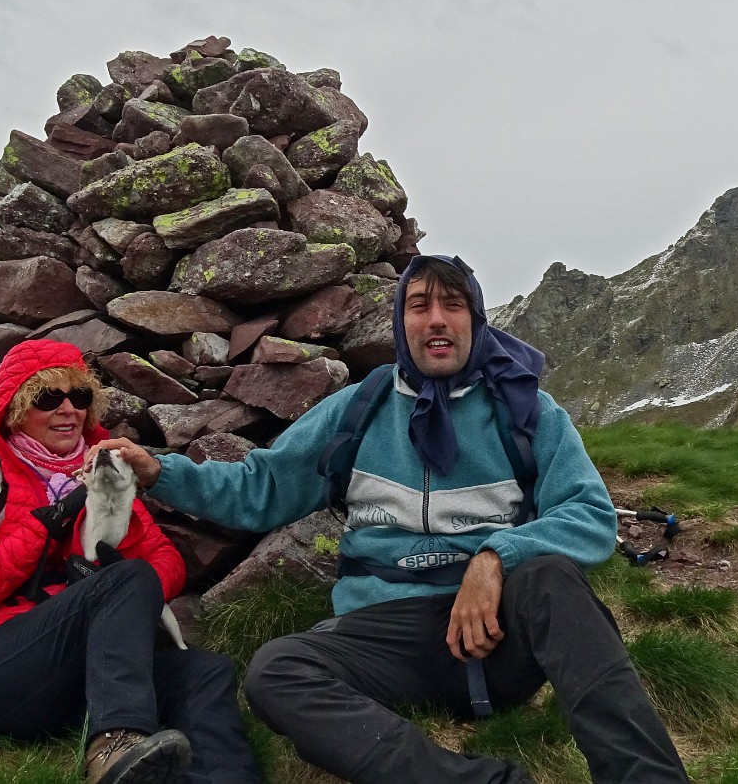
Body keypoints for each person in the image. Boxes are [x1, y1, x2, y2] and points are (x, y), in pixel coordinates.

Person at [96, 256, 691, 784]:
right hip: (383, 634)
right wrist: (161, 473)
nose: (436, 319)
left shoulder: (526, 410)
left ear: (475, 320)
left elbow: (589, 514)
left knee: (555, 581)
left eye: (453, 305)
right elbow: (264, 489)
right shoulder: (361, 407)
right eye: (419, 305)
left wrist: (494, 558)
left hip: (494, 629)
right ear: (401, 323)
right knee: (277, 671)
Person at [0, 338, 262, 784]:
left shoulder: (108, 474)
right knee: (125, 579)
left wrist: (103, 570)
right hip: (4, 673)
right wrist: (51, 521)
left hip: (87, 675)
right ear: (15, 410)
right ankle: (114, 745)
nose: (68, 409)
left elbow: (166, 563)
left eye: (80, 396)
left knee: (204, 672)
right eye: (48, 398)